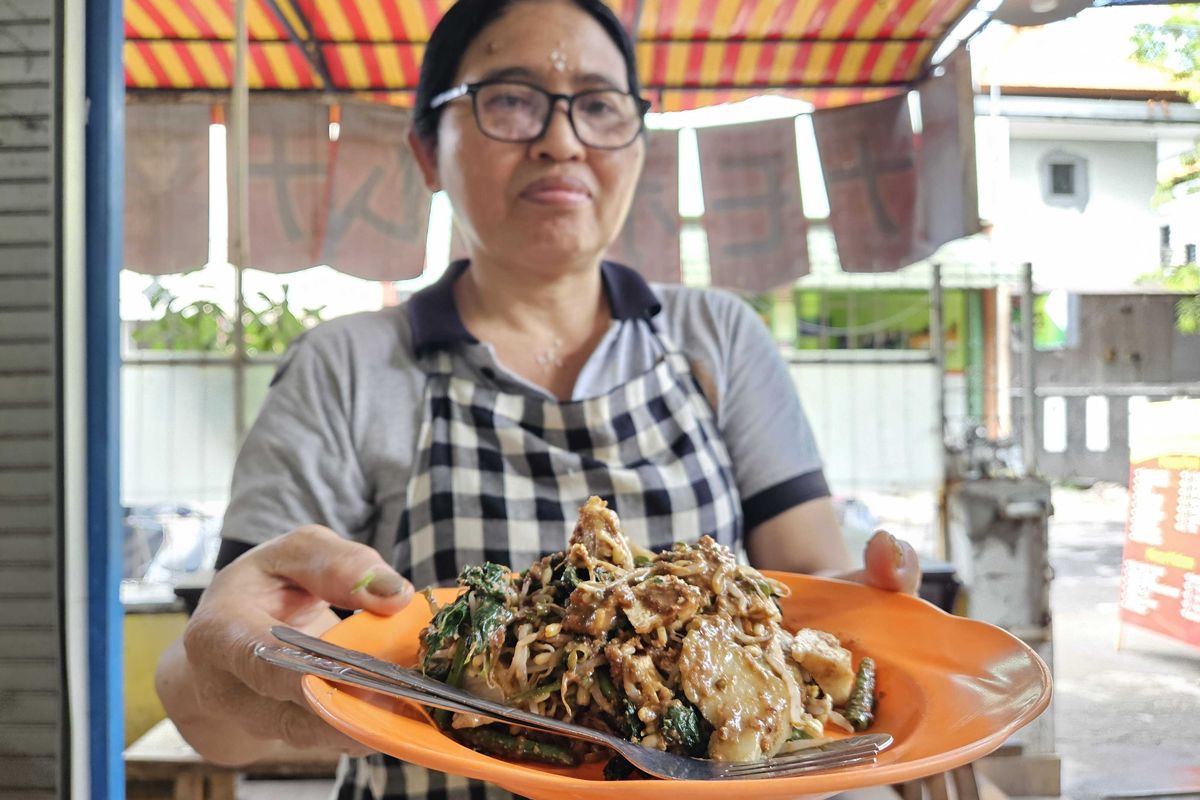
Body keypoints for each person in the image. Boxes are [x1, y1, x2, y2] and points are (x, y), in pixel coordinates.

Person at [155, 0, 922, 797]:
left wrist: (875, 634)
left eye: (598, 106)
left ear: (636, 143)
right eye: (511, 101)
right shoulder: (344, 366)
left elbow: (811, 590)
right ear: (428, 149)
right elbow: (209, 710)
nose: (562, 141)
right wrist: (220, 666)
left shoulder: (719, 334)